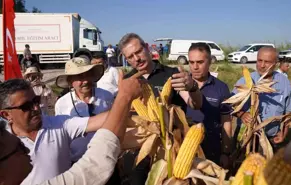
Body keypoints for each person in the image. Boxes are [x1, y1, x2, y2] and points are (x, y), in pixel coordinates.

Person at [0, 70, 145, 185]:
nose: (36, 107)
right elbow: (94, 168)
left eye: (36, 100)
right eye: (26, 106)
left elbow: (95, 121)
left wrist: (127, 107)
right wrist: (124, 98)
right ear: (7, 115)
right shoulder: (5, 144)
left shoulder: (59, 124)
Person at [119, 33, 203, 185]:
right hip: (142, 148)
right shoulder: (127, 81)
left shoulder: (171, 75)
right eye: (130, 57)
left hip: (170, 148)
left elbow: (194, 104)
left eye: (138, 52)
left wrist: (193, 87)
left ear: (146, 47)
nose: (136, 59)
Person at [232, 46, 291, 151]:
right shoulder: (245, 80)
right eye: (259, 60)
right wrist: (242, 114)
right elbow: (230, 105)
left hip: (271, 138)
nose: (262, 65)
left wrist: (283, 133)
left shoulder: (284, 83)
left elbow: (289, 111)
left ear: (276, 64)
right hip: (247, 138)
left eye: (267, 62)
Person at [55, 57, 115, 162]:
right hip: (77, 162)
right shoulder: (62, 104)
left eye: (88, 75)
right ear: (70, 81)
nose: (85, 81)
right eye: (79, 77)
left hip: (106, 158)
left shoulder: (106, 97)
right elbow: (60, 135)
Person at [186, 43, 232, 168]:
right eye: (191, 62)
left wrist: (226, 152)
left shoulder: (221, 88)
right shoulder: (181, 86)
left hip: (212, 148)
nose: (195, 67)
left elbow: (226, 121)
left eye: (200, 62)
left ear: (210, 61)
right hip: (184, 149)